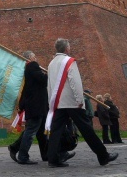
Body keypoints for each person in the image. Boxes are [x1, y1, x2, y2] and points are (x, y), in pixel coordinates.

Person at [46, 38, 117, 168]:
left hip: (58, 103)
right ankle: (103, 156)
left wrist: (52, 102)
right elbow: (76, 83)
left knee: (56, 131)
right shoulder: (69, 61)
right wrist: (80, 100)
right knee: (87, 129)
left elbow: (49, 86)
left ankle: (53, 159)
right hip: (72, 103)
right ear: (67, 49)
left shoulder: (51, 64)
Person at [8, 50, 48, 165]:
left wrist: (22, 105)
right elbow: (44, 80)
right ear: (30, 58)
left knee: (40, 132)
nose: (36, 58)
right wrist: (51, 74)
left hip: (35, 106)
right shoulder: (32, 66)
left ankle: (45, 154)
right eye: (34, 56)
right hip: (37, 106)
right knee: (31, 131)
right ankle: (22, 156)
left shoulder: (27, 70)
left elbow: (26, 90)